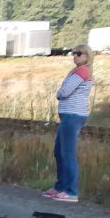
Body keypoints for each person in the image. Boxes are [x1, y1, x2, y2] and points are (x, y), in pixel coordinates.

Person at [45, 46, 92, 201]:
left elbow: (64, 92)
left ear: (87, 55)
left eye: (79, 54)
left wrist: (59, 93)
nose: (75, 56)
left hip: (73, 115)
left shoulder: (82, 71)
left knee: (68, 153)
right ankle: (60, 186)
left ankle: (71, 191)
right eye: (74, 54)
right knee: (59, 152)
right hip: (68, 116)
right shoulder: (77, 71)